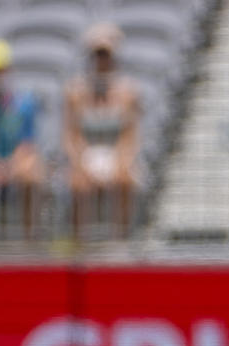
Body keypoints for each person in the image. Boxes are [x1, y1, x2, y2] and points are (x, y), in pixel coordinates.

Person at [63, 23, 142, 239]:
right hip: (87, 152)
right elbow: (71, 135)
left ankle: (122, 239)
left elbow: (130, 135)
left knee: (125, 181)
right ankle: (79, 242)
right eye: (97, 54)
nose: (102, 60)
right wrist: (80, 164)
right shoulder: (76, 92)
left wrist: (121, 162)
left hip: (115, 152)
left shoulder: (128, 92)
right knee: (77, 183)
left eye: (105, 54)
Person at [0, 39, 44, 239]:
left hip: (14, 162)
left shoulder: (24, 103)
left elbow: (27, 143)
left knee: (32, 174)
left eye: (0, 71)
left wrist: (11, 167)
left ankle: (28, 238)